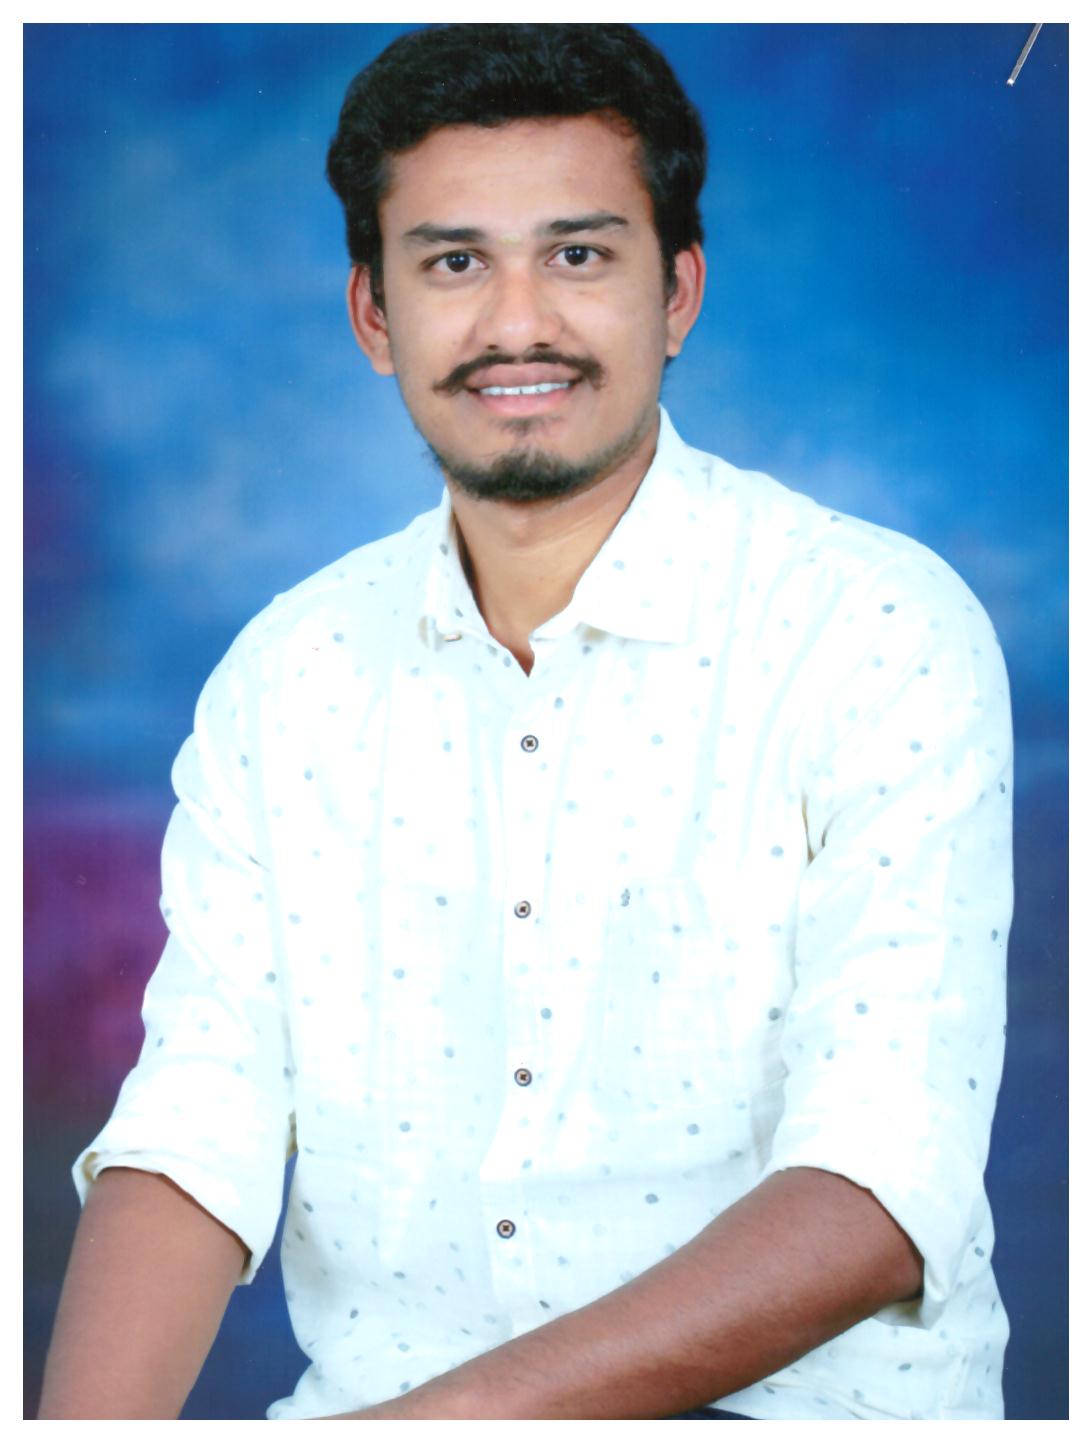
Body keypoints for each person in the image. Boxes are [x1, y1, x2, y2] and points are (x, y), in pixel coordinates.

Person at [38, 23, 1012, 1421]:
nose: (515, 324)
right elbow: (201, 1115)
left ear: (676, 293)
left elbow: (879, 1183)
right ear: (374, 316)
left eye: (577, 255)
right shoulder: (289, 673)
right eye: (453, 263)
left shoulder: (873, 630)